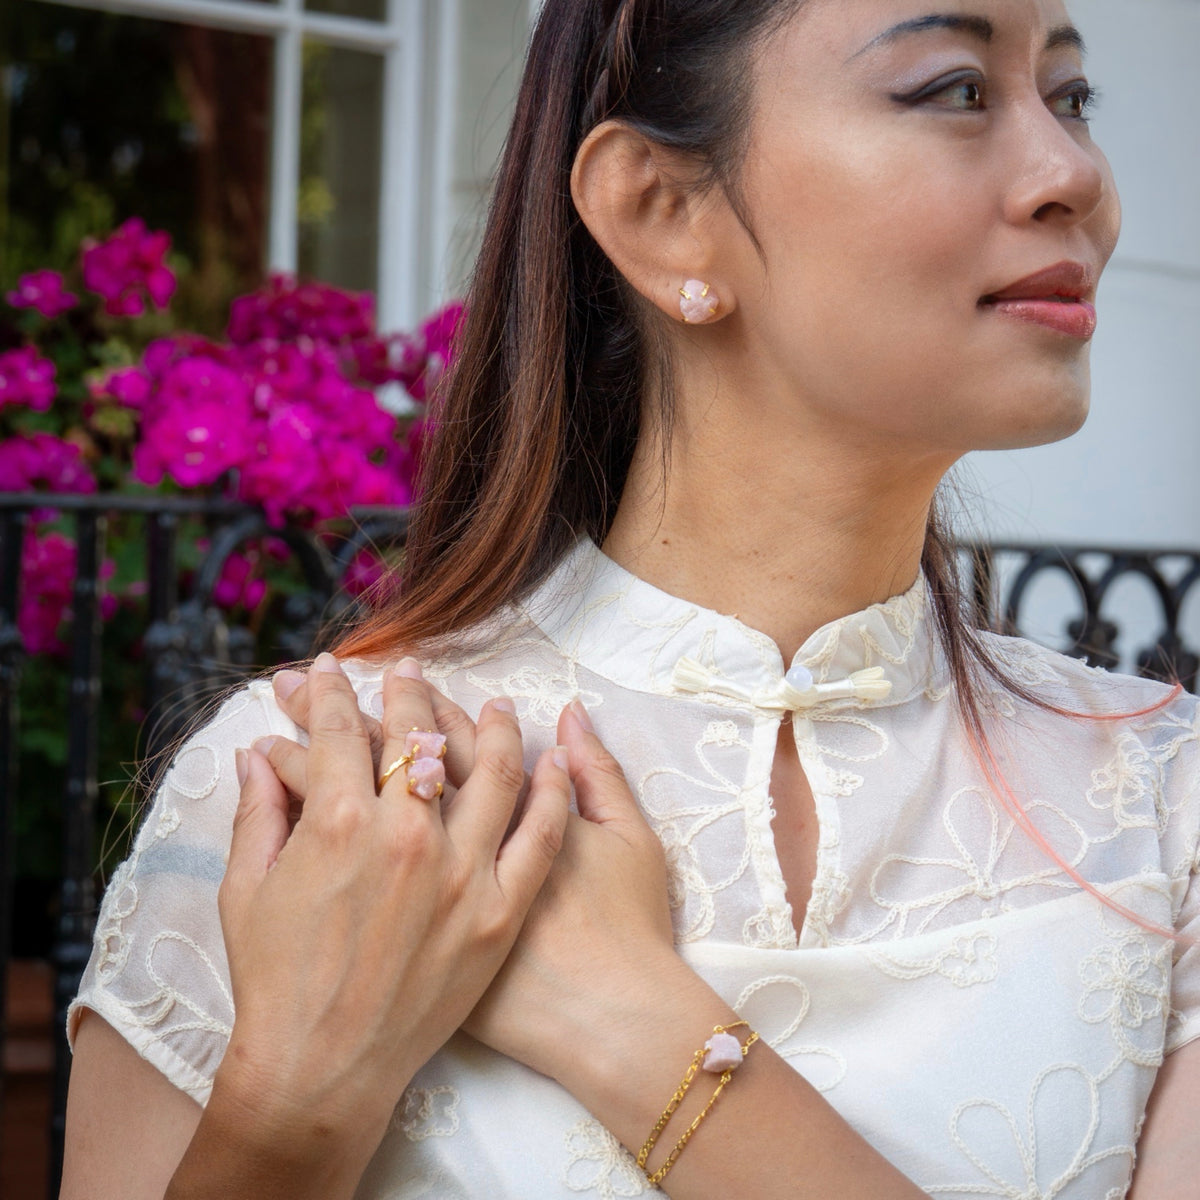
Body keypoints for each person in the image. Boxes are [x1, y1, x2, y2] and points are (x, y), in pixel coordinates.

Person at [61, 1, 1200, 1196]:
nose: (1073, 173)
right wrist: (294, 1104)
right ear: (663, 213)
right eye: (957, 91)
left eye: (1072, 98)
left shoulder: (1164, 801)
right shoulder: (309, 791)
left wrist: (629, 1018)